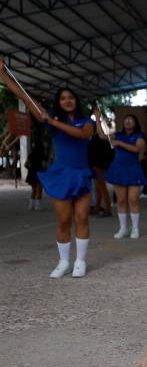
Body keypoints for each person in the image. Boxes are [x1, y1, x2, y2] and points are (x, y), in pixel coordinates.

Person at [1, 61, 94, 278]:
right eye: (63, 98)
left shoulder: (86, 121)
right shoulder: (50, 118)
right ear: (59, 102)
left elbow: (83, 135)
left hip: (81, 173)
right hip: (61, 173)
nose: (67, 101)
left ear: (76, 100)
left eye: (70, 97)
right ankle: (64, 262)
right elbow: (25, 97)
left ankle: (80, 261)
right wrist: (3, 75)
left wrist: (52, 121)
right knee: (63, 220)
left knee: (82, 217)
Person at [101, 114, 146, 239]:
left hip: (133, 169)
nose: (128, 122)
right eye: (126, 120)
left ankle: (135, 228)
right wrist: (99, 119)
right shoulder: (117, 134)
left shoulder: (139, 136)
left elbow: (136, 149)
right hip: (118, 169)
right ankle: (123, 228)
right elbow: (102, 136)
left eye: (131, 120)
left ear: (135, 123)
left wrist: (119, 143)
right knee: (120, 201)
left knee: (133, 199)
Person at [88, 129, 114, 216]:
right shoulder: (101, 138)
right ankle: (98, 206)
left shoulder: (96, 139)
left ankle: (108, 208)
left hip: (97, 165)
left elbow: (92, 152)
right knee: (99, 187)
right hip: (100, 165)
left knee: (101, 187)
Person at [25, 143, 46, 210]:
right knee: (39, 190)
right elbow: (44, 166)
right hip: (39, 173)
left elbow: (25, 164)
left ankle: (31, 205)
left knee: (33, 190)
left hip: (31, 173)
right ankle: (38, 206)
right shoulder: (42, 155)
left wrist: (30, 169)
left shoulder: (31, 155)